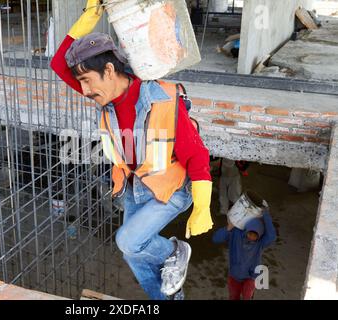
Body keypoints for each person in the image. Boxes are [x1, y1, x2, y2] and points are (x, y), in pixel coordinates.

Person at [50, 0, 213, 300]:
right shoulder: (104, 95)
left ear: (109, 70)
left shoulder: (161, 98)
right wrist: (89, 17)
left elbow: (197, 154)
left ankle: (176, 250)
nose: (84, 91)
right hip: (137, 185)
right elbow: (59, 64)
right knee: (134, 254)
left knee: (128, 241)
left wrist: (202, 206)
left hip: (173, 186)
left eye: (86, 81)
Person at [212, 207, 276, 300]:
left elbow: (271, 236)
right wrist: (228, 228)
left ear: (260, 235)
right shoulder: (236, 234)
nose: (251, 237)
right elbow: (216, 239)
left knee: (247, 297)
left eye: (255, 235)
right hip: (234, 275)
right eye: (250, 233)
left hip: (250, 277)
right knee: (233, 297)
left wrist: (266, 215)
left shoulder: (260, 243)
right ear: (246, 230)